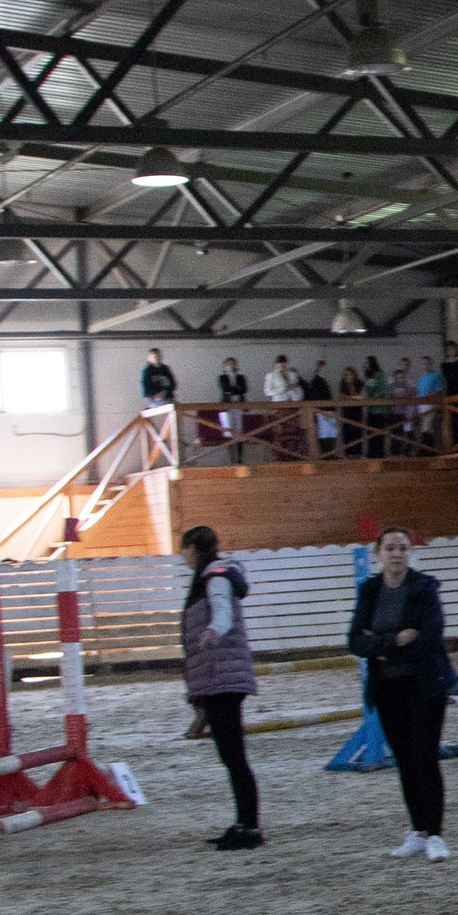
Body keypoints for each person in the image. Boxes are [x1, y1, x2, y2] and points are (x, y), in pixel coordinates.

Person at [347, 526, 458, 862]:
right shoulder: (369, 590)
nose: (396, 554)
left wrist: (379, 644)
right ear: (378, 553)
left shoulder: (424, 588)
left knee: (425, 758)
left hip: (424, 685)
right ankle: (417, 830)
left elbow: (430, 635)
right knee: (405, 761)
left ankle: (436, 833)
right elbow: (355, 640)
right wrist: (395, 641)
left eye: (402, 548)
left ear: (410, 553)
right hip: (387, 687)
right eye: (390, 548)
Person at [179, 525, 261, 851]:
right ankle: (243, 823)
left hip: (222, 679)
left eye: (184, 549)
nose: (182, 556)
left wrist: (213, 630)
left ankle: (251, 828)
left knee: (234, 756)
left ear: (194, 549)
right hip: (217, 678)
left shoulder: (215, 577)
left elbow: (223, 611)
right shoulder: (209, 576)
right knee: (230, 755)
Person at [213, 357, 249, 464]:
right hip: (226, 407)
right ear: (225, 367)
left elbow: (244, 389)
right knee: (228, 432)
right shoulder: (222, 377)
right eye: (229, 364)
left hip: (238, 405)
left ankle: (239, 459)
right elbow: (225, 388)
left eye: (233, 364)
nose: (231, 366)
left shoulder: (241, 377)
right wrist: (236, 389)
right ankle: (230, 459)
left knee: (239, 432)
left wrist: (233, 390)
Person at [439, 341, 458, 450]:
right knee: (453, 419)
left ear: (456, 349)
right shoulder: (444, 364)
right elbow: (448, 378)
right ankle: (456, 445)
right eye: (449, 349)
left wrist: (455, 376)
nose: (451, 351)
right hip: (451, 392)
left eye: (452, 349)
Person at [304, 359, 337, 457]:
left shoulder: (321, 380)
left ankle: (330, 454)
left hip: (327, 411)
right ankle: (327, 455)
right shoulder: (317, 381)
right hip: (323, 412)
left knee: (330, 434)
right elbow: (316, 398)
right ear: (319, 368)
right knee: (325, 435)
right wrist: (323, 412)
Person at [362, 355, 390, 458]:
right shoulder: (368, 376)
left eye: (366, 362)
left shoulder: (379, 374)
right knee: (370, 431)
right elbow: (368, 390)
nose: (365, 365)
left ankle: (379, 453)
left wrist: (373, 398)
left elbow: (382, 389)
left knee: (378, 432)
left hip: (379, 408)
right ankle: (371, 452)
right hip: (370, 409)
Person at [414, 355, 444, 453]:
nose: (424, 365)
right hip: (421, 404)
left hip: (430, 403)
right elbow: (418, 392)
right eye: (423, 363)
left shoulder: (435, 375)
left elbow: (439, 390)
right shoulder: (421, 378)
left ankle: (427, 450)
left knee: (427, 426)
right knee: (423, 426)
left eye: (426, 363)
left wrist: (431, 396)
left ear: (430, 364)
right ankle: (426, 449)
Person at [335, 365, 365, 459]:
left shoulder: (358, 383)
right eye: (346, 374)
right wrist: (352, 398)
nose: (347, 376)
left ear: (353, 375)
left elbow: (361, 397)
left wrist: (349, 398)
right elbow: (341, 397)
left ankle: (357, 454)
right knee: (347, 433)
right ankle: (348, 454)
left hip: (356, 412)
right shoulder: (342, 384)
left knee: (357, 433)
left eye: (349, 374)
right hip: (347, 412)